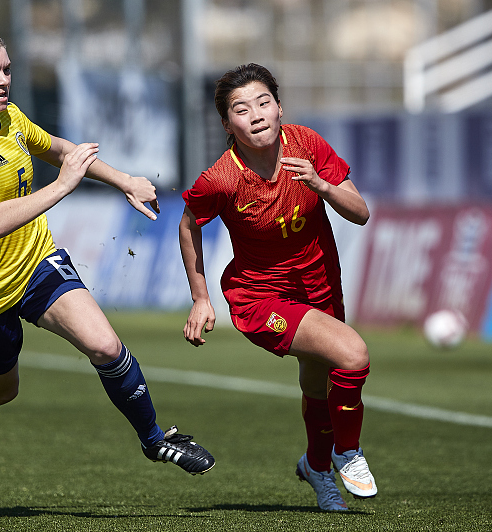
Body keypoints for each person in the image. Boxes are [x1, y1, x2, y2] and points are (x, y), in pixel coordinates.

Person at [0, 28, 214, 497]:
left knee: (106, 347)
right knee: (0, 390)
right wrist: (61, 187)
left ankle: (156, 440)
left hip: (36, 262)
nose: (3, 81)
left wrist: (125, 181)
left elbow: (59, 150)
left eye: (8, 70)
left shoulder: (8, 117)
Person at [178, 63, 375, 511]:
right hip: (260, 298)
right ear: (228, 125)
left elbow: (360, 212)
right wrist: (200, 298)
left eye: (264, 102)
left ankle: (316, 468)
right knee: (353, 355)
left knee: (318, 379)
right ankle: (347, 453)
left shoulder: (306, 143)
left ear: (280, 107)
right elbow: (189, 226)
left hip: (321, 285)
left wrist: (321, 184)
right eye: (241, 109)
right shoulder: (221, 179)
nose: (256, 114)